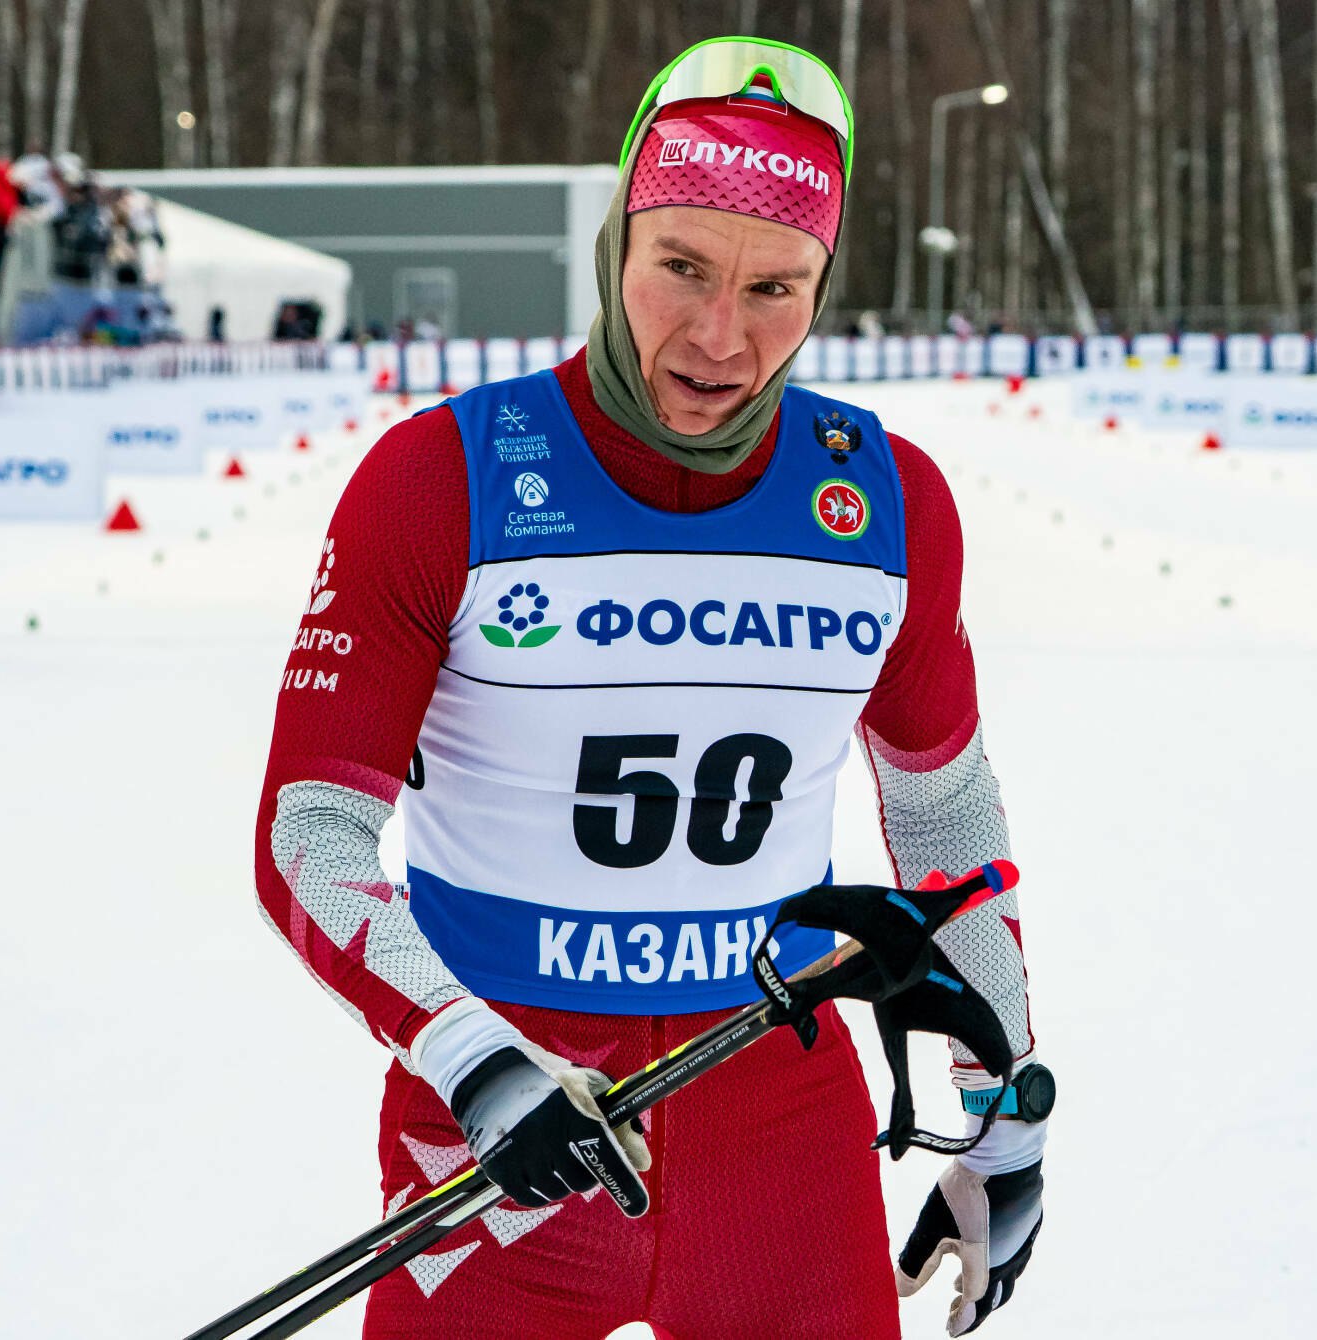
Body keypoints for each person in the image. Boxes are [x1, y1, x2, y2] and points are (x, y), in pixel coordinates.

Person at [255, 37, 1047, 1340]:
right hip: (507, 1124)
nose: (721, 337)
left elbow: (948, 817)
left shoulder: (888, 504)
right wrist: (470, 1054)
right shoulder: (438, 480)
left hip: (778, 1118)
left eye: (777, 288)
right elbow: (309, 834)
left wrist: (1005, 1107)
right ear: (617, 239)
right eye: (681, 267)